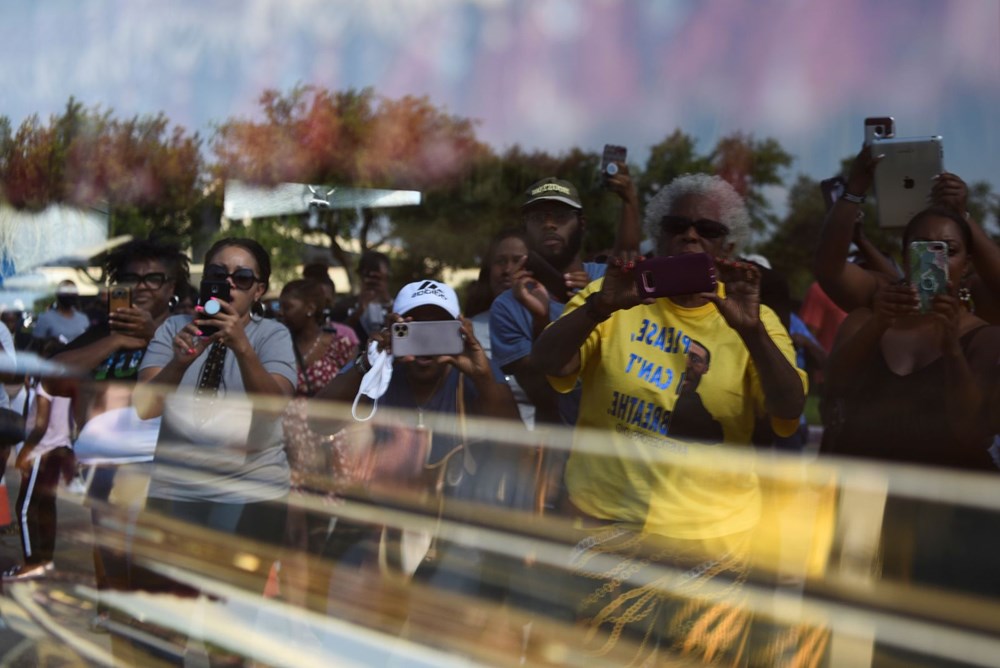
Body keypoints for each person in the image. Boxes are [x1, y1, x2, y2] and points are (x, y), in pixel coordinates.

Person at [532, 173, 806, 664]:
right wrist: (598, 308)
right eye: (678, 225)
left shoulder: (756, 320)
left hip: (713, 545)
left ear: (731, 244)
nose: (691, 236)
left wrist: (752, 335)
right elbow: (549, 364)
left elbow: (787, 409)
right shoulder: (613, 298)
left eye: (709, 229)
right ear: (658, 235)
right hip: (608, 532)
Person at [310, 279, 521, 583]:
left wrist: (483, 376)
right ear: (393, 328)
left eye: (438, 330)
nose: (425, 342)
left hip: (457, 538)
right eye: (413, 328)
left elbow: (514, 444)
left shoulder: (475, 371)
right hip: (377, 532)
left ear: (459, 330)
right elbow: (319, 421)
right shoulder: (378, 368)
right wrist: (367, 361)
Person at [48, 237, 190, 627]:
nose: (142, 286)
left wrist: (153, 335)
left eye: (153, 278)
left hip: (153, 464)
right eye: (132, 277)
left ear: (171, 287)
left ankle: (137, 625)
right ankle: (116, 617)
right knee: (109, 552)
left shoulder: (187, 328)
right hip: (101, 464)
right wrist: (115, 340)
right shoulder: (104, 330)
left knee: (142, 561)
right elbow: (54, 373)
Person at [134, 238, 296, 560]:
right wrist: (178, 362)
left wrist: (242, 346)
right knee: (170, 600)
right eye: (218, 274)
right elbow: (144, 407)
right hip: (175, 488)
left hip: (250, 490)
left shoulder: (272, 335)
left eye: (243, 278)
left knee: (230, 604)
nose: (229, 285)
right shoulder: (173, 329)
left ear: (258, 291)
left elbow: (274, 407)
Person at [490, 170, 640, 427]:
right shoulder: (507, 306)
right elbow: (542, 396)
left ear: (581, 224)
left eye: (560, 216)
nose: (549, 224)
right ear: (526, 228)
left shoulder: (611, 282)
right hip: (559, 452)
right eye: (538, 218)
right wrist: (540, 318)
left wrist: (629, 200)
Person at [814, 148, 1000, 322]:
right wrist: (854, 189)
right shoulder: (887, 300)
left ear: (967, 263)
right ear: (904, 257)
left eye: (948, 249)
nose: (934, 257)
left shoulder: (978, 298)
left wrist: (962, 214)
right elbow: (830, 272)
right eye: (921, 247)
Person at [278, 279, 355, 549]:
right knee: (294, 530)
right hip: (292, 452)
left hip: (331, 448)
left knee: (324, 529)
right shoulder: (280, 343)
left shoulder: (341, 341)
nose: (281, 312)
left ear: (310, 308)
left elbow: (358, 388)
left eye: (287, 306)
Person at [3, 342, 75, 581]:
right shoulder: (64, 383)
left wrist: (25, 453)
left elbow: (41, 424)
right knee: (46, 507)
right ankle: (45, 559)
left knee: (24, 508)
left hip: (41, 452)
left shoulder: (45, 383)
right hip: (60, 449)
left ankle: (30, 563)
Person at [465, 229, 535, 427]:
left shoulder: (550, 324)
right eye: (501, 261)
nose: (508, 270)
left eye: (518, 261)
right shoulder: (469, 330)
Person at [330, 251, 393, 348]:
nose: (373, 280)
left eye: (378, 277)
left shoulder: (396, 305)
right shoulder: (344, 307)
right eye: (368, 276)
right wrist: (359, 310)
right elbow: (335, 336)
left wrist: (387, 301)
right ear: (360, 275)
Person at [32, 280, 90, 345]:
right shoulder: (45, 318)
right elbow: (36, 344)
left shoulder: (83, 319)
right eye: (66, 292)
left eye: (72, 292)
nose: (70, 295)